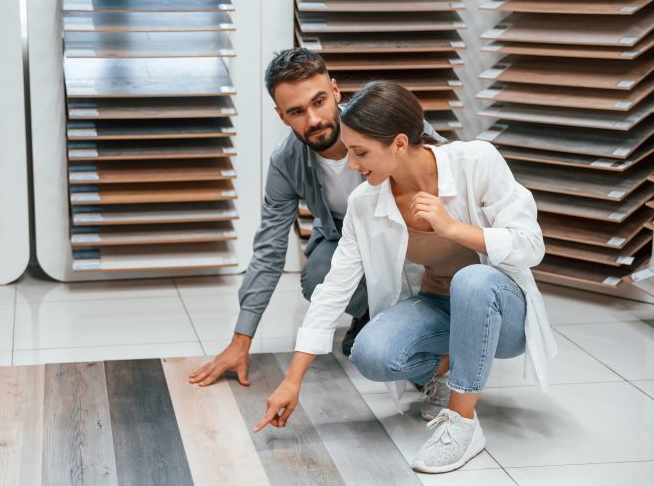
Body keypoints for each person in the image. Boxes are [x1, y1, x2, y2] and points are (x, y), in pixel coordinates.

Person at [253, 81, 557, 474]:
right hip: (439, 306)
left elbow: (531, 246)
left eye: (360, 153)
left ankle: (463, 425)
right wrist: (293, 379)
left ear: (398, 143)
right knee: (370, 352)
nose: (353, 165)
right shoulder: (366, 203)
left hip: (502, 313)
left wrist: (451, 228)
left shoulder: (476, 161)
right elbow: (333, 291)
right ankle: (449, 365)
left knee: (472, 280)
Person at [188, 48, 445, 388]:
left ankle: (418, 327)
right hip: (345, 242)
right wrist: (241, 340)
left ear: (336, 92)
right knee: (318, 274)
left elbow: (451, 171)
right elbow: (269, 250)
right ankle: (373, 319)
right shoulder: (285, 162)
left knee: (407, 337)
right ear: (282, 117)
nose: (313, 119)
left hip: (412, 241)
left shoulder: (387, 124)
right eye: (297, 111)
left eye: (319, 101)